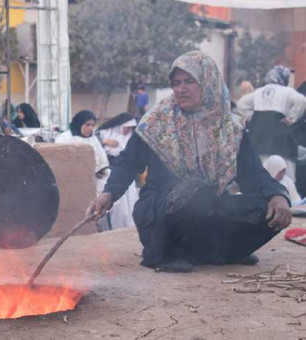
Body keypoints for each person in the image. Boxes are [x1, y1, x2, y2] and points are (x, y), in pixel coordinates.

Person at [87, 51, 292, 273]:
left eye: (189, 81)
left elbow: (253, 174)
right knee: (196, 190)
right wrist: (108, 194)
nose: (180, 89)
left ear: (208, 82)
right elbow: (127, 163)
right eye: (176, 83)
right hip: (161, 213)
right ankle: (167, 253)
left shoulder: (231, 129)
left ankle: (223, 252)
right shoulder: (156, 123)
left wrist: (277, 195)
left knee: (267, 209)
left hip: (208, 210)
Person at [238, 65, 306, 181]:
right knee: (285, 177)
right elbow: (302, 101)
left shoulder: (258, 92)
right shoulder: (287, 92)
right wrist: (291, 118)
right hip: (281, 143)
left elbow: (241, 104)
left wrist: (253, 118)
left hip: (258, 141)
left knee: (261, 175)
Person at [96, 113, 139, 228]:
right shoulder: (105, 134)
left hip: (126, 176)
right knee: (116, 206)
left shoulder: (131, 137)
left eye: (130, 128)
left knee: (130, 204)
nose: (127, 130)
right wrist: (104, 142)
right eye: (126, 128)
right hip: (109, 175)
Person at [56, 110, 109, 195]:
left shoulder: (93, 138)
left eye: (92, 125)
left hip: (94, 176)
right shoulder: (65, 138)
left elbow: (101, 160)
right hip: (73, 180)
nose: (90, 128)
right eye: (87, 125)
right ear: (79, 124)